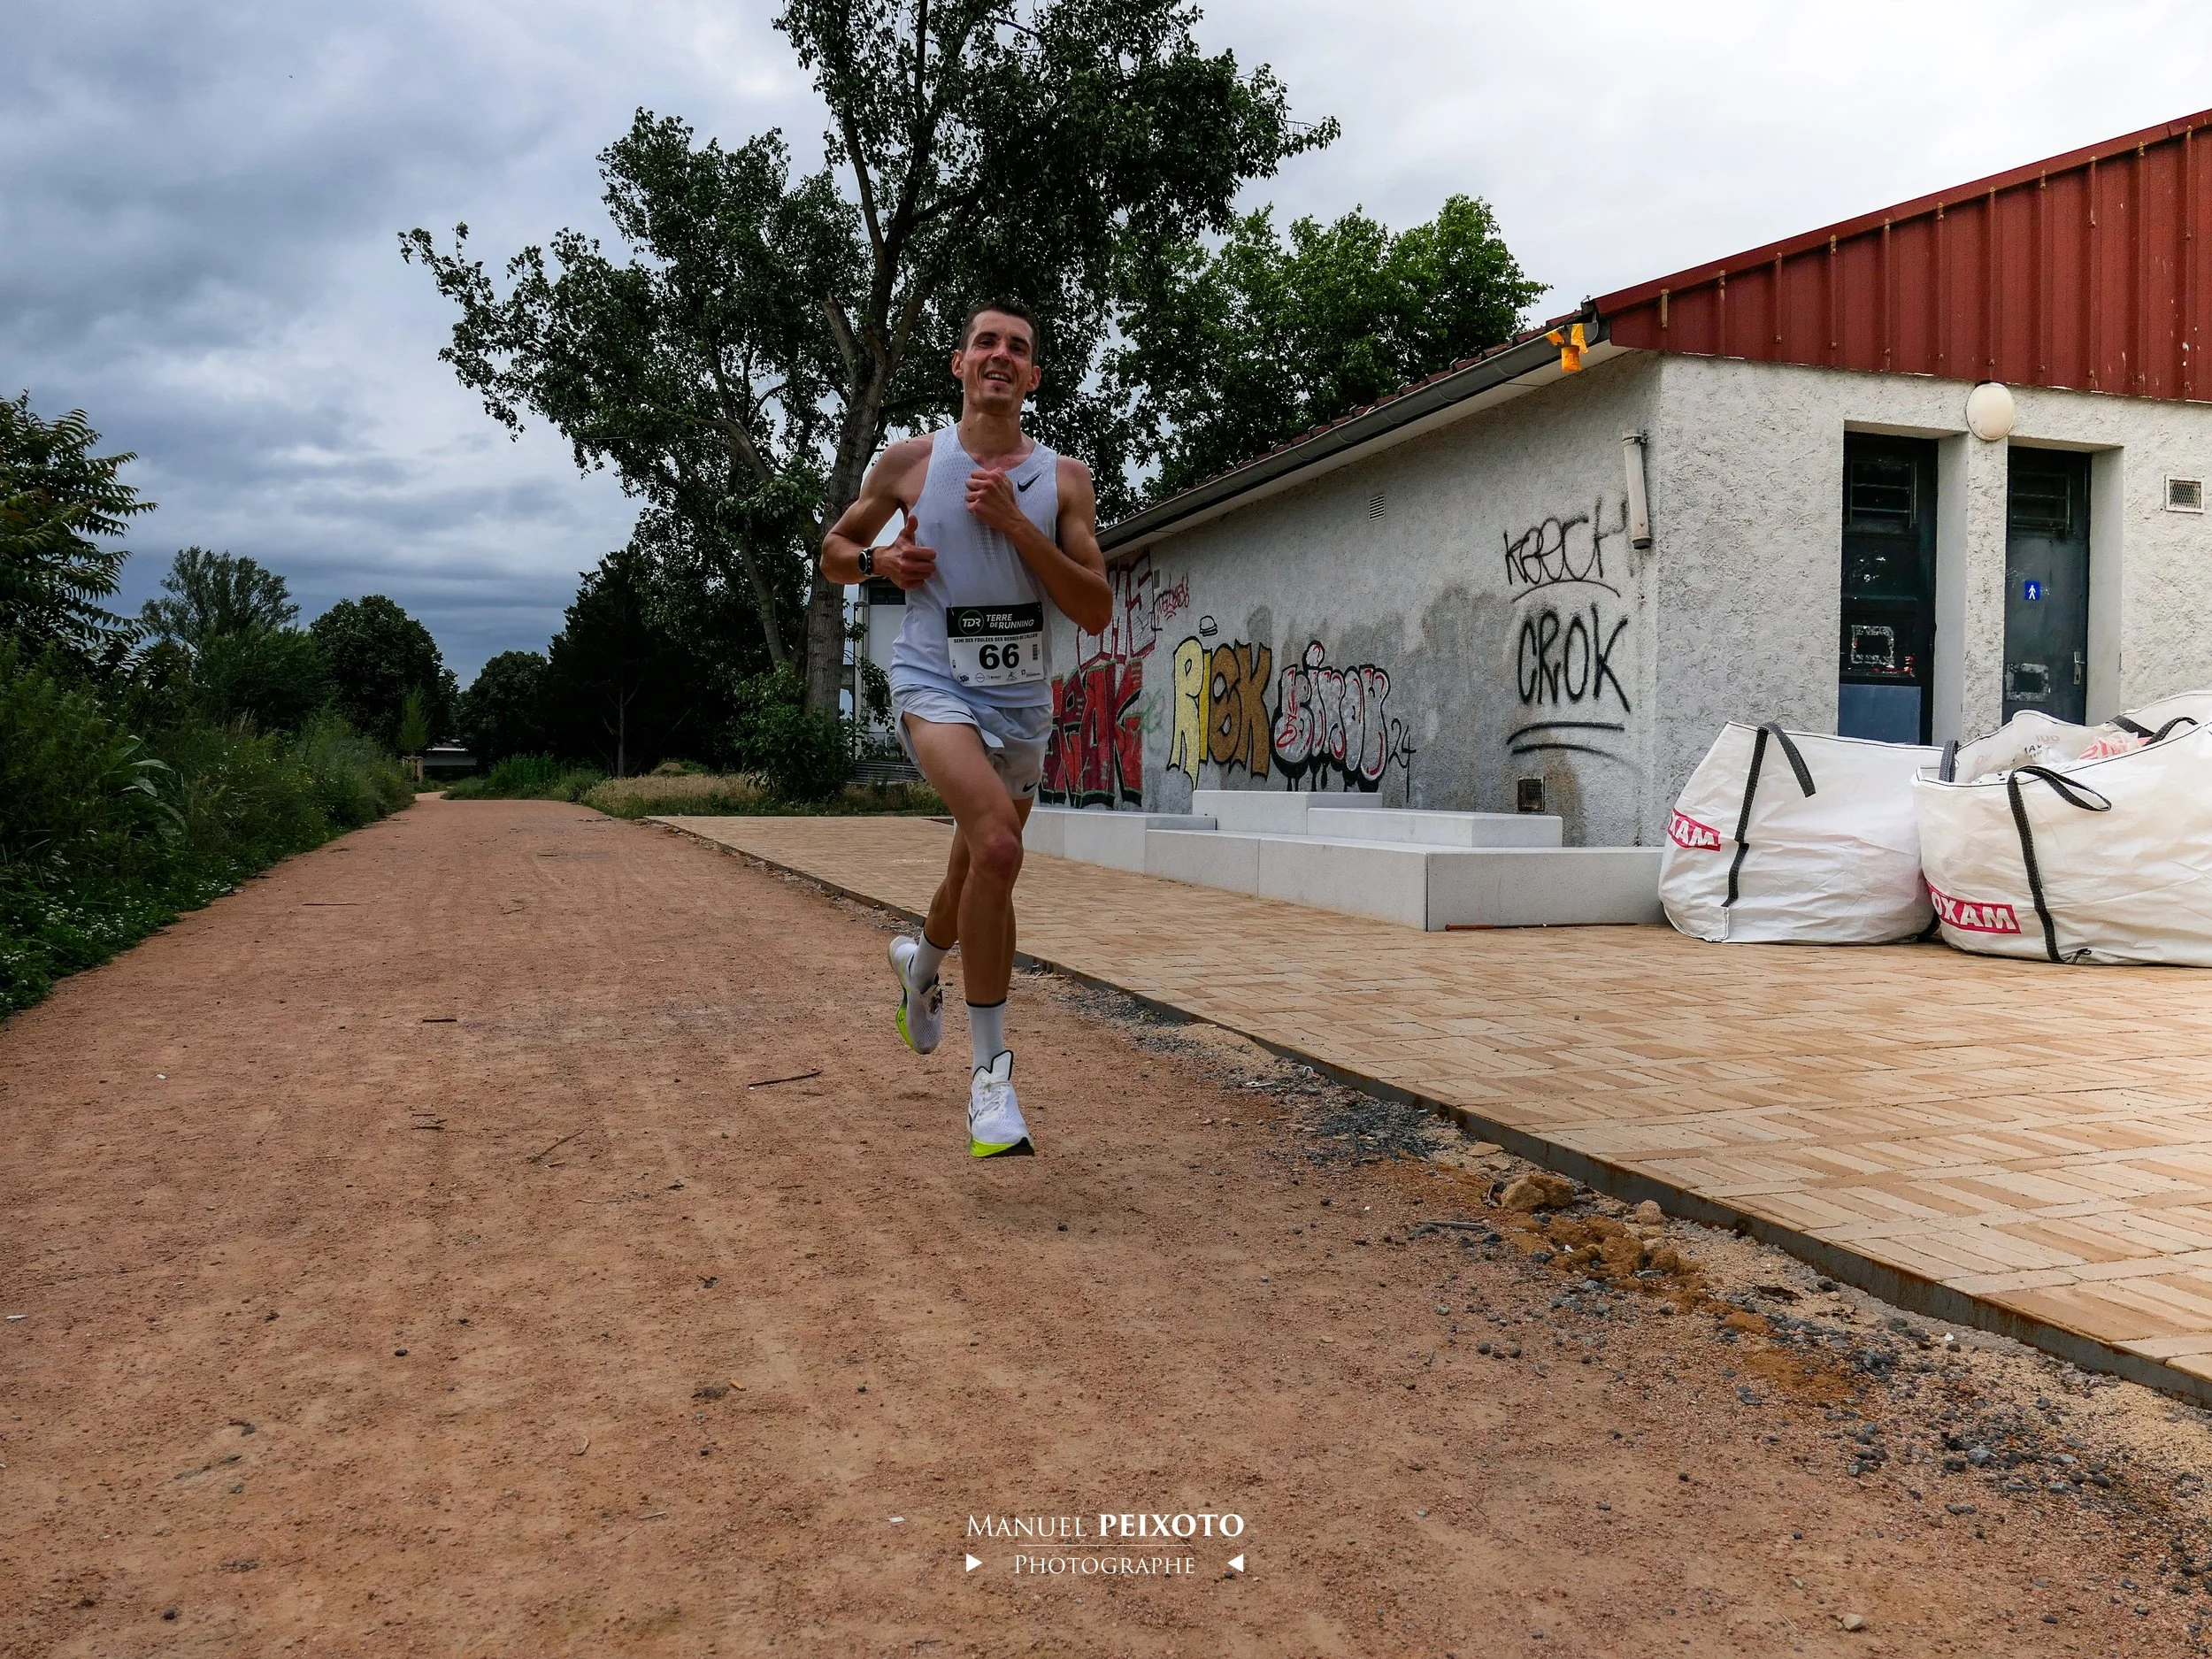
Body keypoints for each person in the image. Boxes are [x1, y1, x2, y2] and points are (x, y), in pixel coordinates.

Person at [819, 302, 1112, 1156]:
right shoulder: (913, 463)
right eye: (986, 342)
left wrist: (1017, 526)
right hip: (932, 679)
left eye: (1017, 348)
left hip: (1019, 701)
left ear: (1033, 377)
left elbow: (1094, 609)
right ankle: (993, 1084)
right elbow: (834, 550)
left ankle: (920, 969)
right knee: (999, 849)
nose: (1000, 356)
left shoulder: (1063, 479)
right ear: (959, 364)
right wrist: (879, 563)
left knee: (975, 864)